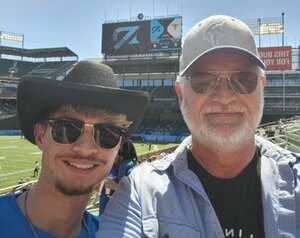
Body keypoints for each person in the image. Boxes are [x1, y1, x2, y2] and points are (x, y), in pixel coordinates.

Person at [97, 15, 300, 237]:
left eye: (244, 79)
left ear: (262, 87)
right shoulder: (139, 193)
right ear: (180, 94)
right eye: (203, 82)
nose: (224, 97)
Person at [0, 60, 149, 238]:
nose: (85, 149)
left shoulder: (107, 234)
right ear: (40, 136)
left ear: (118, 146)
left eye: (107, 134)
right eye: (67, 129)